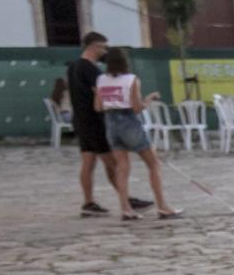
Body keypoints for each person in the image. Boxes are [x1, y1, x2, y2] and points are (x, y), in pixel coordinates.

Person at [92, 48, 177, 220]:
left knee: (122, 167)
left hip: (110, 123)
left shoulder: (101, 79)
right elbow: (137, 108)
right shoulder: (131, 80)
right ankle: (162, 206)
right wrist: (150, 98)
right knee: (153, 164)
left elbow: (98, 107)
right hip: (129, 121)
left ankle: (126, 208)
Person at [65, 33, 143, 217]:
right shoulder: (91, 70)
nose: (104, 52)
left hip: (81, 120)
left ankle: (89, 202)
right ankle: (126, 200)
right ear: (93, 46)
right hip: (95, 121)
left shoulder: (73, 67)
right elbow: (102, 95)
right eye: (103, 47)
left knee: (88, 161)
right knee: (114, 163)